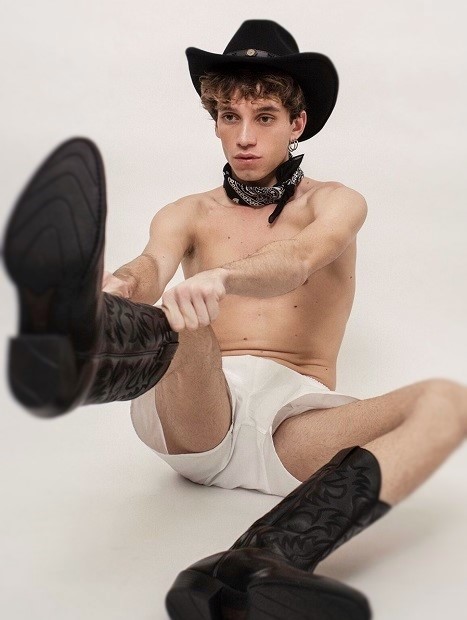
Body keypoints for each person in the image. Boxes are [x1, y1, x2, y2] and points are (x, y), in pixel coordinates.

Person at [3, 19, 466, 620]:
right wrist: (119, 286)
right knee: (183, 315)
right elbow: (151, 266)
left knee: (449, 401)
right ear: (216, 121)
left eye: (265, 117)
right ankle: (78, 345)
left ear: (297, 123)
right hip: (200, 410)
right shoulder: (187, 212)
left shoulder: (334, 202)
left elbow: (300, 258)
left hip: (293, 429)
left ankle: (261, 560)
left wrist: (222, 277)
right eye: (229, 117)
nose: (244, 137)